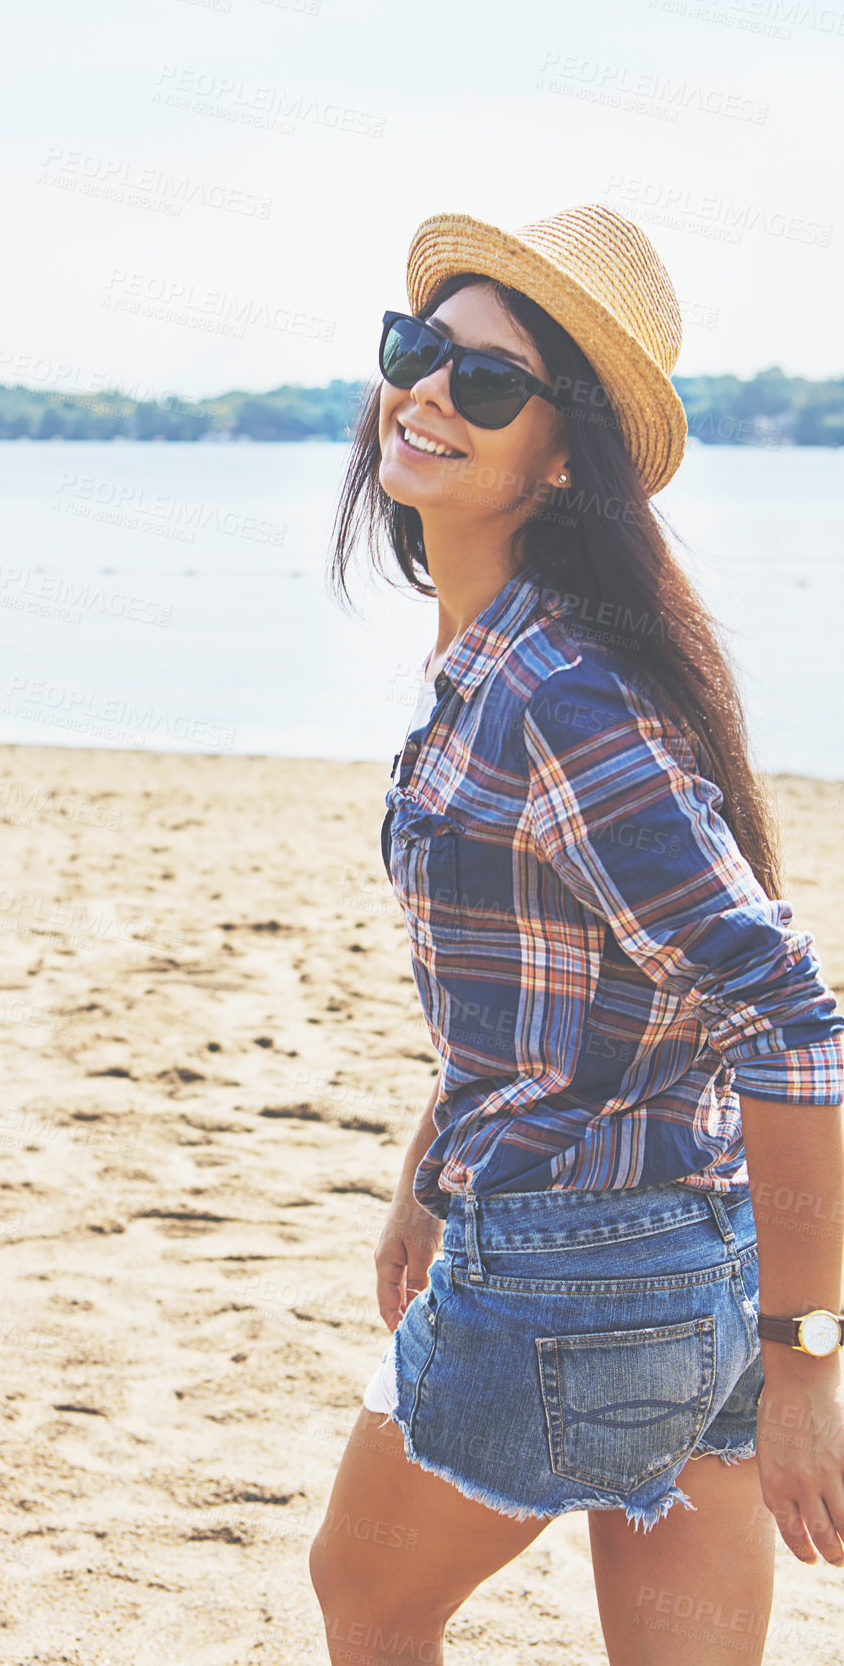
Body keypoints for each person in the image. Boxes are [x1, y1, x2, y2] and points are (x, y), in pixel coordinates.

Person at [307, 202, 844, 1666]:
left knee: (364, 1602)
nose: (423, 391)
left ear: (562, 459)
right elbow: (562, 985)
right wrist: (426, 1176)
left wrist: (807, 1360)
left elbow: (789, 1016)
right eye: (416, 349)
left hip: (574, 1274)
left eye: (485, 381)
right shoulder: (525, 659)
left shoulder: (553, 696)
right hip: (690, 1261)